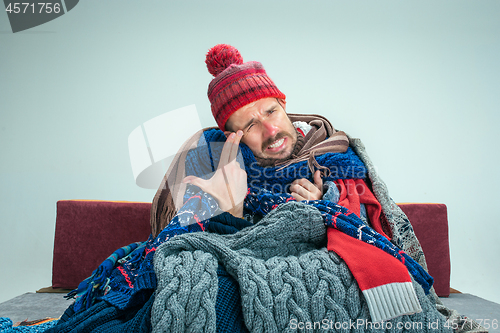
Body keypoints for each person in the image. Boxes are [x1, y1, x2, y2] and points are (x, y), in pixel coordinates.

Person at [49, 44, 480, 333]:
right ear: (232, 134)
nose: (270, 128)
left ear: (284, 103)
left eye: (271, 110)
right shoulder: (211, 161)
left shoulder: (334, 153)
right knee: (195, 277)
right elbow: (177, 237)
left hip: (323, 256)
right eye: (249, 124)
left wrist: (324, 205)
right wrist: (230, 207)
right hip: (244, 258)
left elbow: (369, 227)